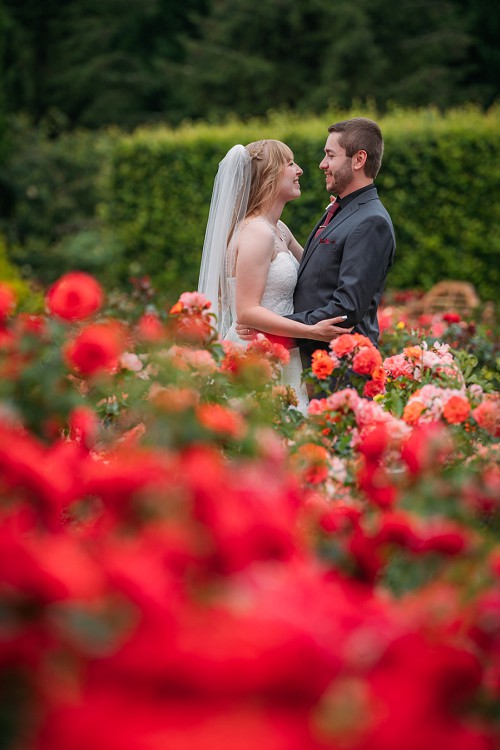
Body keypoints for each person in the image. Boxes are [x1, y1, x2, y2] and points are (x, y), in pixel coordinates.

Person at [198, 140, 347, 412]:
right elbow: (247, 312)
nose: (300, 170)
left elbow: (316, 273)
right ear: (269, 175)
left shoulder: (279, 229)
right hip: (257, 355)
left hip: (281, 351)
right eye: (290, 164)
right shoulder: (257, 233)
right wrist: (312, 331)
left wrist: (336, 217)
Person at [236, 118, 396, 374]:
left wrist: (270, 330)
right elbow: (312, 271)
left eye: (330, 156)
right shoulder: (339, 210)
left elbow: (346, 310)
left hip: (341, 369)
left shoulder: (370, 221)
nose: (321, 164)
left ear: (358, 160)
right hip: (307, 362)